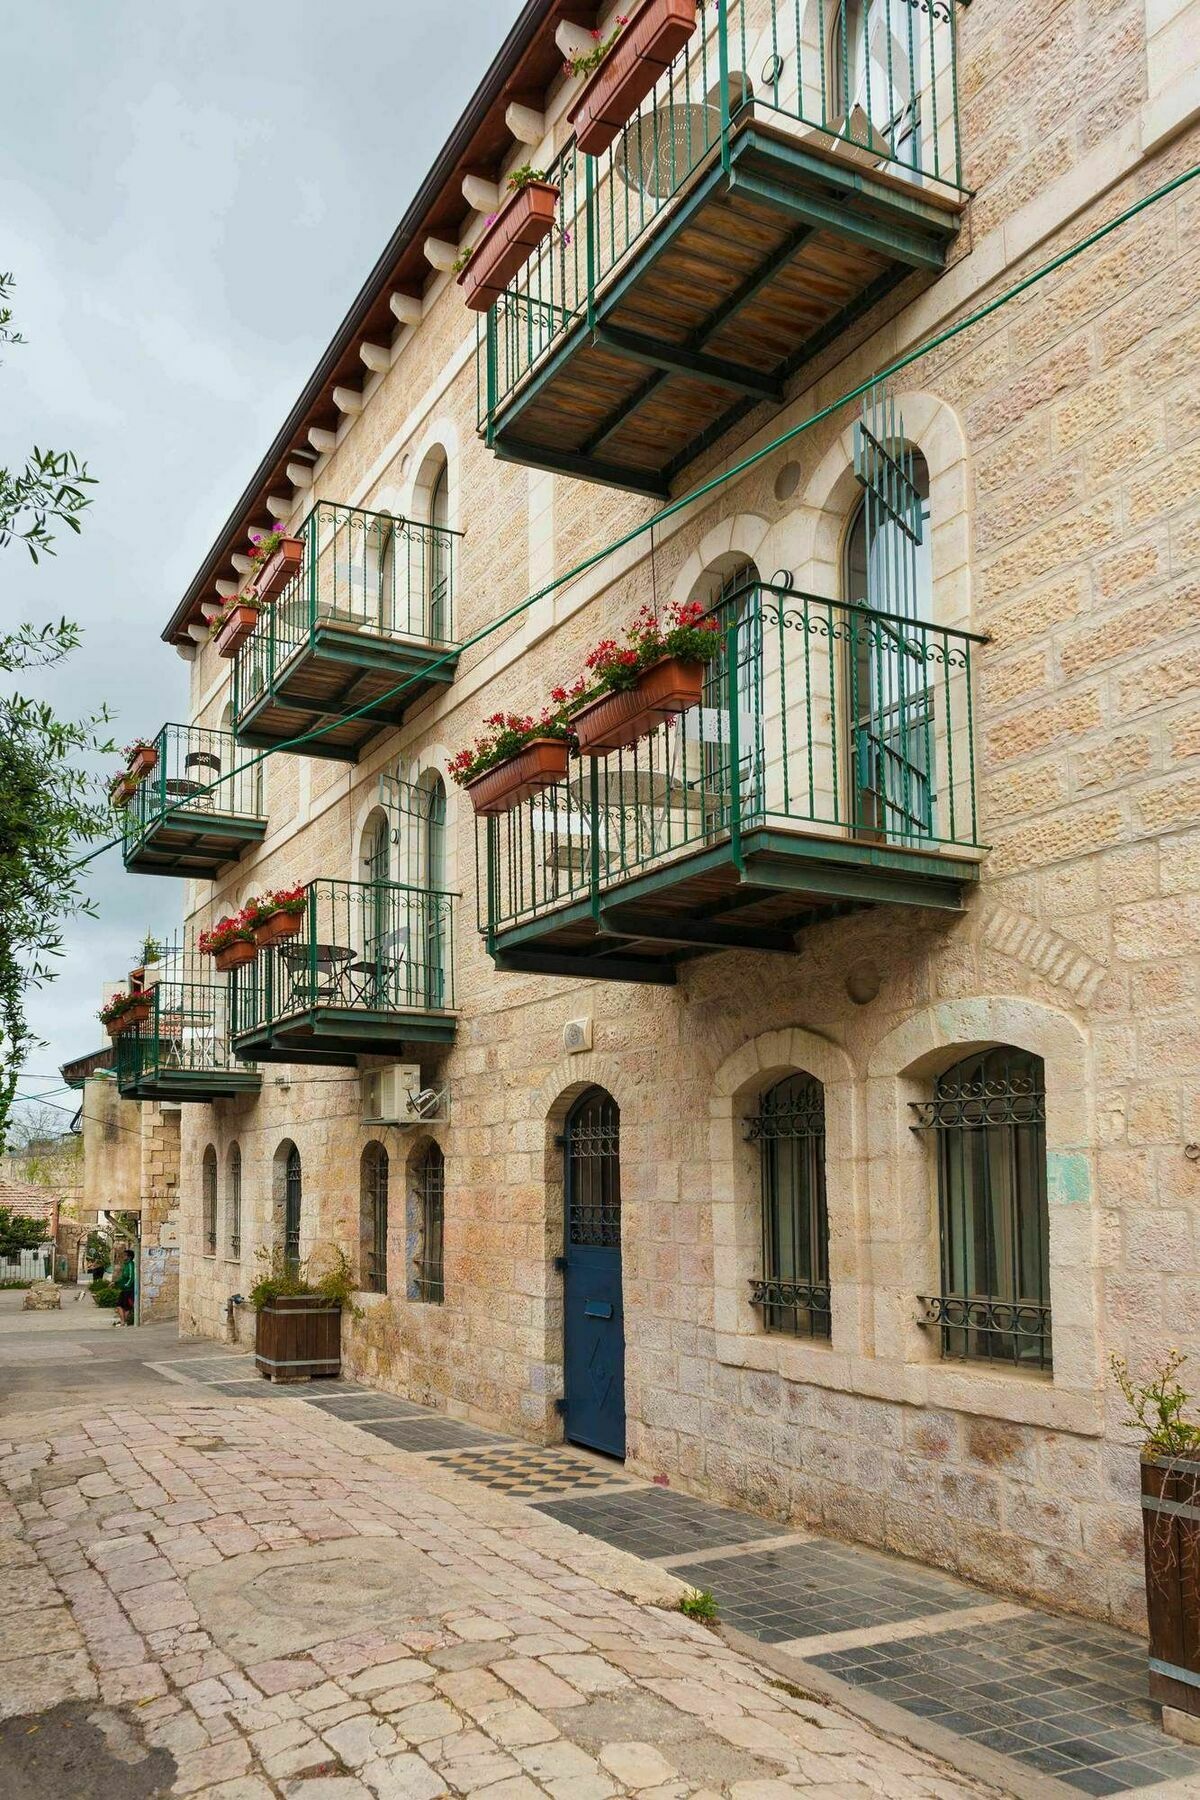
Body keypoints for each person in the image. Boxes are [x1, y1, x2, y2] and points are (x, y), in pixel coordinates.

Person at [114, 1246, 136, 1327]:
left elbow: (131, 1277)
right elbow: (123, 1277)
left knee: (124, 1306)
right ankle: (123, 1322)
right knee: (121, 1306)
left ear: (129, 1257)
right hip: (124, 1289)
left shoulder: (130, 1265)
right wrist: (116, 1283)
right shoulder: (126, 1265)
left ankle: (123, 1322)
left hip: (128, 1289)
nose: (123, 1257)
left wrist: (126, 1285)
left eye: (125, 1255)